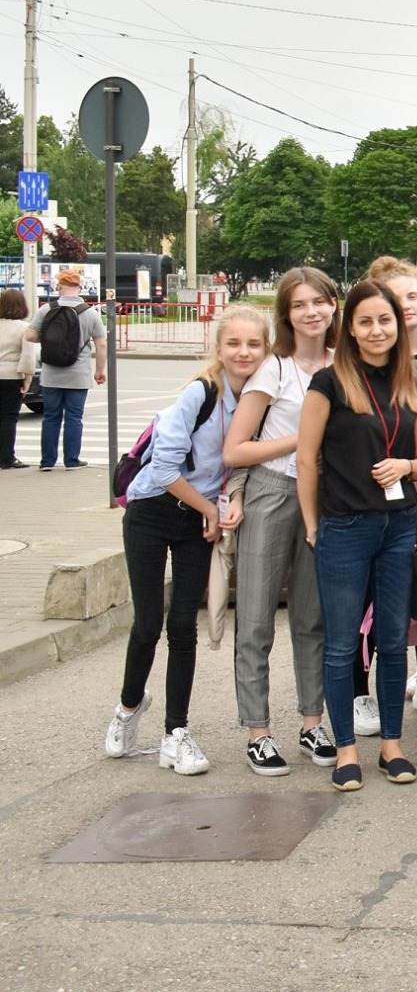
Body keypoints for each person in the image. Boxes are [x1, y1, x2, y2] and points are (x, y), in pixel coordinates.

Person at [100, 305, 268, 778]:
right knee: (148, 622)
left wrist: (221, 504)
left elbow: (236, 466)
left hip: (198, 517)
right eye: (234, 343)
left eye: (254, 344)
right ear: (218, 348)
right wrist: (209, 509)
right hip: (152, 511)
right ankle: (128, 707)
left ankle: (176, 732)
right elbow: (163, 469)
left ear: (266, 351)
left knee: (182, 626)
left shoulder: (258, 401)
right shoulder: (201, 393)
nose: (243, 352)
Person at [295, 281, 417, 791]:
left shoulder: (411, 386)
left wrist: (408, 466)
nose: (377, 330)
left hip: (398, 526)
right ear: (349, 328)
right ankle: (347, 750)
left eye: (386, 321)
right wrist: (312, 524)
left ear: (399, 326)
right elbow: (306, 460)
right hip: (345, 527)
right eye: (366, 321)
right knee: (341, 644)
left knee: (393, 641)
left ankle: (392, 745)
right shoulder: (328, 384)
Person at [223, 266, 340, 777]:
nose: (311, 312)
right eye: (299, 305)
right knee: (254, 617)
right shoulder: (274, 368)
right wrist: (303, 438)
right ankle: (258, 731)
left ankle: (312, 722)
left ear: (334, 306)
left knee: (313, 618)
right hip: (273, 491)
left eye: (319, 301)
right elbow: (236, 448)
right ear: (287, 315)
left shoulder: (345, 363)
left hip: (327, 496)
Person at [366, 255, 417, 714]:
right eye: (396, 299)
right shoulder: (369, 363)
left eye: (413, 295)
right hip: (380, 489)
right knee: (379, 596)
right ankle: (368, 689)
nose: (407, 306)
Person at [23, 266, 106, 471]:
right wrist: (100, 370)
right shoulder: (89, 312)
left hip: (51, 373)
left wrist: (50, 337)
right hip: (78, 375)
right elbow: (101, 344)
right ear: (79, 287)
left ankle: (47, 462)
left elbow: (30, 336)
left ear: (59, 286)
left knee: (51, 417)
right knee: (74, 417)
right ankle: (71, 461)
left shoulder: (46, 309)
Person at [0, 288, 36, 468]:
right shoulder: (24, 328)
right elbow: (28, 356)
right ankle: (7, 457)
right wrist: (27, 379)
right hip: (11, 376)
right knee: (8, 417)